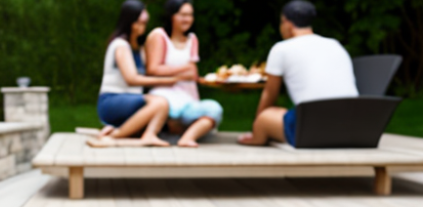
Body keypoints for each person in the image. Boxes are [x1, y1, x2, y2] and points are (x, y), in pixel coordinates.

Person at [238, 0, 359, 147]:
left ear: (287, 24)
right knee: (286, 113)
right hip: (352, 127)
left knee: (266, 116)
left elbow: (270, 94)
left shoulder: (281, 48)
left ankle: (257, 136)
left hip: (311, 130)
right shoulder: (335, 44)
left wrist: (258, 125)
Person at [97, 0, 179, 147]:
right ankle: (116, 136)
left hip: (130, 101)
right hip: (112, 100)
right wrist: (167, 80)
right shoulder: (120, 45)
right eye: (139, 22)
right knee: (160, 103)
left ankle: (116, 129)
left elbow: (152, 72)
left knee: (162, 109)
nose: (142, 27)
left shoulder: (138, 48)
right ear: (129, 22)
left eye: (144, 23)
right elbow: (132, 79)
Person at [146, 0, 223, 148]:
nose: (187, 19)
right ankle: (174, 129)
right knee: (172, 112)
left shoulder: (192, 39)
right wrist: (183, 72)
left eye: (190, 15)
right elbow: (153, 69)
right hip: (164, 95)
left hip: (187, 99)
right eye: (183, 15)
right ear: (171, 16)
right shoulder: (159, 35)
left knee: (214, 109)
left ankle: (186, 137)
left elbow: (192, 74)